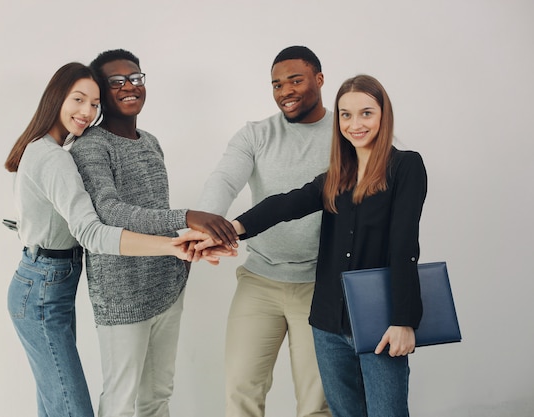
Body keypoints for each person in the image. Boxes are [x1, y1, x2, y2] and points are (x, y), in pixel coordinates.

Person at [3, 62, 229, 417]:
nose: (86, 111)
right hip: (44, 286)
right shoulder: (58, 157)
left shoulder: (50, 151)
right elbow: (95, 229)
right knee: (71, 407)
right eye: (79, 99)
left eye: (92, 104)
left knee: (55, 404)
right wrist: (171, 240)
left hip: (49, 280)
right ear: (56, 97)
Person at [218, 74, 428, 417]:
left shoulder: (405, 166)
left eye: (366, 113)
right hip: (328, 323)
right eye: (345, 114)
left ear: (383, 115)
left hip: (381, 321)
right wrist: (230, 230)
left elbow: (404, 246)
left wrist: (404, 320)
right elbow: (286, 204)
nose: (355, 124)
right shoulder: (337, 175)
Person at [69, 49, 237, 417]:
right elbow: (109, 212)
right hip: (122, 295)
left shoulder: (150, 141)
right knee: (119, 400)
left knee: (158, 396)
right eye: (116, 82)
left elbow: (155, 209)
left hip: (167, 286)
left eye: (136, 78)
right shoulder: (91, 146)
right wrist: (188, 216)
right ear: (101, 92)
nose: (129, 87)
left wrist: (182, 256)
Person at [196, 45, 332, 417]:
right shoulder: (256, 135)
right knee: (241, 391)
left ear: (319, 80)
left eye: (295, 80)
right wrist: (205, 224)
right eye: (276, 84)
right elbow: (224, 180)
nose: (284, 90)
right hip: (260, 280)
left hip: (321, 286)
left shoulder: (346, 131)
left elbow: (384, 171)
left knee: (318, 402)